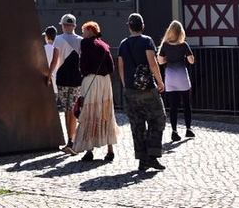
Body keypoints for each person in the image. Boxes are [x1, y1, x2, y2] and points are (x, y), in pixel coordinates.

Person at [117, 12, 166, 173]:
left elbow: (121, 66)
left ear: (129, 27)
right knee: (157, 118)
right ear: (143, 26)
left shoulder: (123, 44)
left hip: (130, 90)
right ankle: (152, 154)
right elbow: (152, 63)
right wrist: (160, 82)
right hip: (147, 88)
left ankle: (142, 159)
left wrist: (125, 85)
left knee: (137, 124)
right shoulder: (147, 41)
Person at [66, 20, 116, 163]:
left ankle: (89, 150)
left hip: (91, 80)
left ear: (89, 31)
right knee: (106, 113)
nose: (82, 34)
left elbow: (83, 65)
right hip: (105, 82)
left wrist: (83, 73)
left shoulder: (86, 43)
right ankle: (110, 150)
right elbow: (111, 67)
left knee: (89, 112)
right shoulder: (104, 45)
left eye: (83, 31)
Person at [157, 20, 195, 141]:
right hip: (182, 77)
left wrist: (168, 58)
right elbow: (191, 61)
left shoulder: (165, 45)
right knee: (186, 104)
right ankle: (188, 129)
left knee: (173, 106)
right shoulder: (184, 45)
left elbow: (160, 61)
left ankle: (174, 131)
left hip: (170, 78)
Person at [48, 12, 81, 147]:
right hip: (77, 79)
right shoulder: (80, 40)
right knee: (73, 109)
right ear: (74, 26)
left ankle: (70, 139)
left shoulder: (58, 39)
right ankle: (71, 140)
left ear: (63, 26)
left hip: (62, 78)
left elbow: (55, 60)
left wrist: (49, 75)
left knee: (67, 110)